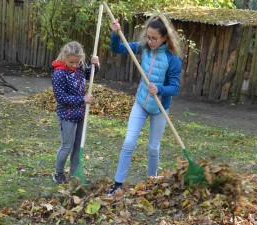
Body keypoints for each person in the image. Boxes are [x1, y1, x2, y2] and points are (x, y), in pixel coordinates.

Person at [108, 14, 182, 196]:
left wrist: (159, 88)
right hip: (141, 103)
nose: (150, 41)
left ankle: (152, 183)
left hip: (159, 108)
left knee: (153, 148)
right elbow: (117, 47)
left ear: (165, 38)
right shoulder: (143, 48)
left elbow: (174, 88)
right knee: (129, 141)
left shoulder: (173, 59)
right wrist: (116, 34)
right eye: (148, 37)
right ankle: (118, 184)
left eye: (154, 38)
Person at [51, 41, 100, 185]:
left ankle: (74, 176)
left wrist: (95, 64)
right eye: (71, 62)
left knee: (78, 146)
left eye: (77, 62)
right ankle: (58, 174)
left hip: (80, 114)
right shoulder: (59, 73)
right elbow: (61, 98)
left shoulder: (80, 67)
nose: (74, 65)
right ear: (64, 57)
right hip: (67, 115)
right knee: (67, 146)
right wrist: (82, 99)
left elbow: (91, 74)